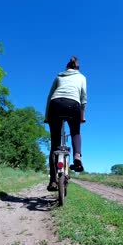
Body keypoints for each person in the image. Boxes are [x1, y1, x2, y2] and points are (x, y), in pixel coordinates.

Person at [44, 56, 87, 191]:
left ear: (67, 68)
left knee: (54, 144)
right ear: (77, 68)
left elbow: (49, 97)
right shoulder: (82, 77)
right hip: (73, 105)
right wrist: (82, 116)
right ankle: (77, 156)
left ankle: (52, 181)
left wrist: (47, 116)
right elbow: (83, 99)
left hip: (55, 105)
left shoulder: (59, 77)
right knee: (75, 132)